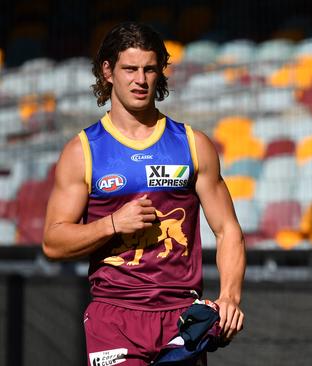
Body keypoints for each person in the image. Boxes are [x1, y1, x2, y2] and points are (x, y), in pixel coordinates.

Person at [42, 22, 245, 366]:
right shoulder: (83, 151)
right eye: (130, 69)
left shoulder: (193, 146)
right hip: (114, 318)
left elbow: (228, 230)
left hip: (181, 317)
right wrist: (112, 224)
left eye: (150, 69)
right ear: (108, 71)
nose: (140, 79)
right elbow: (53, 242)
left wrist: (229, 297)